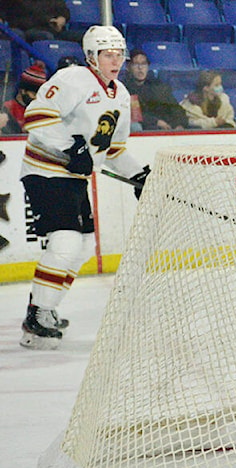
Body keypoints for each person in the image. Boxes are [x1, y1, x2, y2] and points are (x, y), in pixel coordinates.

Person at [18, 25, 149, 349]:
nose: (115, 60)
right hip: (45, 172)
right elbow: (35, 116)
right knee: (64, 243)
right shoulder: (73, 79)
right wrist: (71, 148)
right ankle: (37, 315)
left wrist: (139, 174)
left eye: (119, 54)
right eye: (108, 54)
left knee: (82, 247)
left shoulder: (118, 93)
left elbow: (112, 149)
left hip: (73, 179)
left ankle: (44, 311)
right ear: (92, 56)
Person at [123, 49, 187, 132]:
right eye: (136, 64)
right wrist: (156, 122)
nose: (140, 68)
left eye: (143, 64)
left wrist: (179, 124)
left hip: (167, 129)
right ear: (128, 67)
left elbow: (176, 108)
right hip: (147, 130)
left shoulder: (158, 86)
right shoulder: (124, 89)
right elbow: (133, 114)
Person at [2, 63, 46, 135]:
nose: (36, 98)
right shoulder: (7, 109)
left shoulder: (40, 111)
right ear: (23, 91)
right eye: (34, 94)